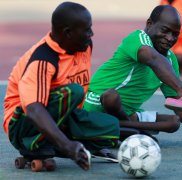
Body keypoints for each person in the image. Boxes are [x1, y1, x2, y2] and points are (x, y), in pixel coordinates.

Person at [83, 5, 182, 146]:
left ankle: (123, 129)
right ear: (149, 24)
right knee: (111, 96)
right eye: (165, 31)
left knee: (173, 122)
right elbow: (153, 59)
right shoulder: (137, 39)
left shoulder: (170, 60)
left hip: (127, 114)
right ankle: (130, 132)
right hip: (97, 106)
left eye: (175, 34)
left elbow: (181, 109)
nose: (170, 38)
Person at [3, 2, 120, 171]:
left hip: (62, 116)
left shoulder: (84, 47)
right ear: (68, 32)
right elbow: (34, 109)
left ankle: (53, 144)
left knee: (112, 127)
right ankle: (32, 145)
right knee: (74, 91)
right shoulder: (43, 59)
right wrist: (67, 145)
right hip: (23, 124)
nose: (91, 34)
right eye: (87, 30)